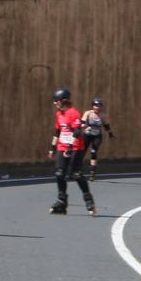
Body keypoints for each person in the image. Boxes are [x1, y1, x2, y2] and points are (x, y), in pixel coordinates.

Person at [47, 88, 96, 216]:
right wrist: (52, 148)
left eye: (56, 101)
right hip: (62, 147)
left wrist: (69, 146)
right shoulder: (59, 114)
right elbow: (57, 131)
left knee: (76, 174)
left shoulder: (73, 113)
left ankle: (88, 200)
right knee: (59, 173)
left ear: (63, 100)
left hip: (75, 147)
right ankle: (62, 202)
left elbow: (76, 131)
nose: (54, 103)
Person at [80, 97, 113, 181]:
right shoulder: (88, 113)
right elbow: (82, 122)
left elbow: (106, 126)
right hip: (87, 134)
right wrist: (85, 126)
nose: (97, 107)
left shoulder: (102, 115)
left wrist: (110, 133)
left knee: (93, 152)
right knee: (82, 152)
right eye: (95, 105)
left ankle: (92, 172)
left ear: (101, 107)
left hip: (97, 136)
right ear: (92, 106)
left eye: (99, 106)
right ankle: (78, 170)